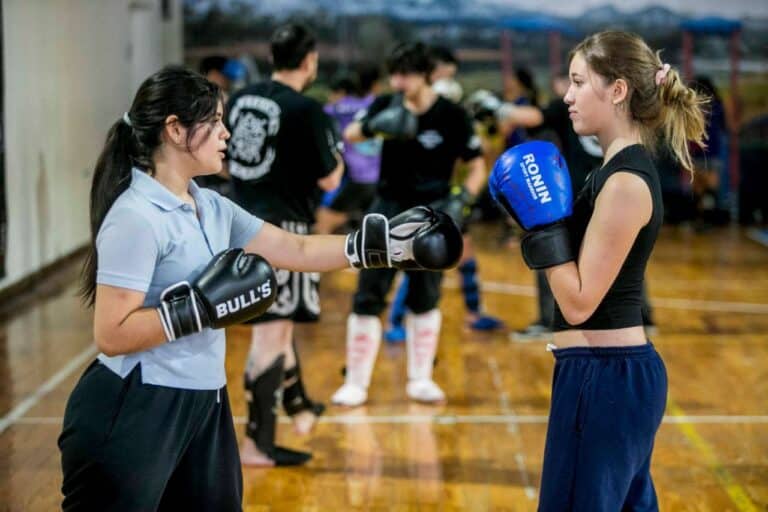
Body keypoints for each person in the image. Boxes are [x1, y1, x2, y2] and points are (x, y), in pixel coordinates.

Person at [57, 66, 463, 511]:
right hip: (134, 407)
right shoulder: (136, 216)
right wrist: (200, 309)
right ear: (175, 129)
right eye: (213, 122)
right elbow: (112, 335)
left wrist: (380, 247)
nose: (226, 133)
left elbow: (297, 249)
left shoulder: (209, 205)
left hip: (204, 402)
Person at [489, 31, 706, 510]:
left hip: (604, 377)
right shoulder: (610, 171)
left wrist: (540, 228)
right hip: (602, 375)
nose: (567, 95)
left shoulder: (626, 182)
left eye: (578, 81)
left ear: (618, 90)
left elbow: (579, 301)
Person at [331, 42, 486, 407]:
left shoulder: (452, 115)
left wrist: (462, 201)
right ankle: (356, 382)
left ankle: (420, 379)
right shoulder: (388, 103)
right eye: (395, 74)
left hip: (432, 214)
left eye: (406, 74)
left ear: (425, 75)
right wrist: (373, 125)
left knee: (426, 295)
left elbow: (477, 165)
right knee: (369, 293)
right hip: (386, 210)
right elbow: (351, 134)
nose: (399, 81)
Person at [225, 23, 344, 466]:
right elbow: (330, 177)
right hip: (285, 232)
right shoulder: (306, 110)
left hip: (239, 223)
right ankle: (257, 444)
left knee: (278, 324)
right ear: (310, 61)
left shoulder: (238, 100)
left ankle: (296, 403)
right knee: (270, 336)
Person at [383, 45, 503, 344]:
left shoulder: (458, 117)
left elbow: (480, 157)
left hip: (453, 194)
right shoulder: (420, 111)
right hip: (430, 197)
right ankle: (395, 319)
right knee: (420, 258)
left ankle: (474, 313)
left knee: (463, 253)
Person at [315, 63, 383, 235]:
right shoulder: (373, 104)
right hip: (379, 179)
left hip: (358, 179)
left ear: (341, 92)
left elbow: (314, 114)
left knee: (322, 223)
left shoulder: (337, 109)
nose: (330, 97)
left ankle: (318, 260)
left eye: (333, 93)